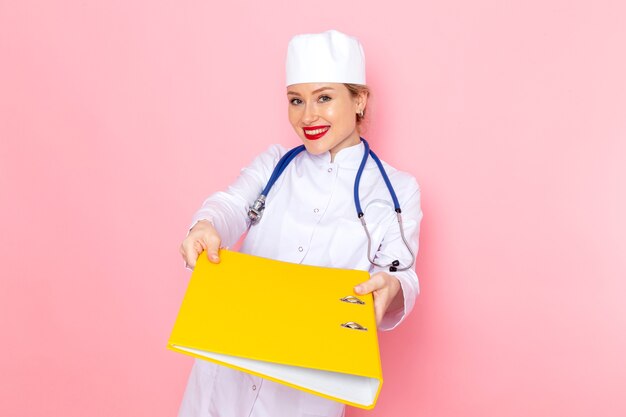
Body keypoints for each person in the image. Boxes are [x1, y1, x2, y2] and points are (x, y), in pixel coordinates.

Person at [177, 29, 423, 417]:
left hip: (306, 383)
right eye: (296, 100)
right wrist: (205, 225)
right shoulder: (275, 164)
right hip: (227, 367)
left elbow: (400, 270)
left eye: (324, 98)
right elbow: (230, 204)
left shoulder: (396, 189)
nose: (307, 116)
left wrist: (391, 286)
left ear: (359, 100)